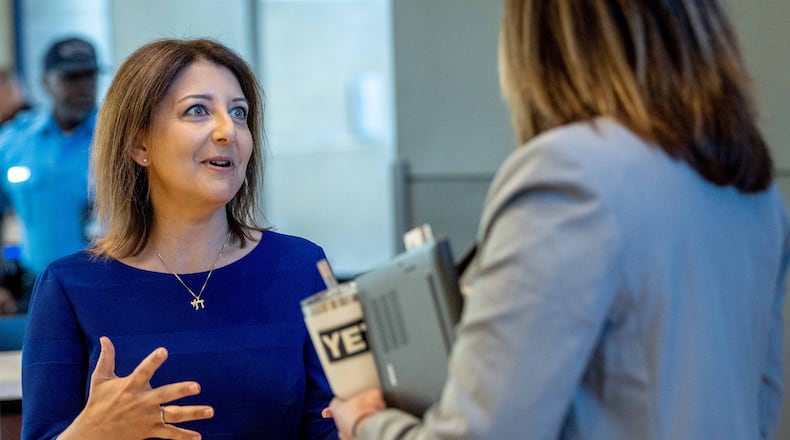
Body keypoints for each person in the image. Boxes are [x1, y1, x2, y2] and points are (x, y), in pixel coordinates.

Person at [329, 0, 790, 439]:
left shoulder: (569, 175)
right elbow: (763, 410)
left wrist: (367, 425)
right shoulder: (753, 191)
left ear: (543, 37)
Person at [21, 38, 338, 439]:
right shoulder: (69, 288)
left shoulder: (303, 268)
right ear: (140, 144)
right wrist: (91, 432)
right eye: (197, 111)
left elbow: (330, 425)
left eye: (238, 113)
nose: (228, 131)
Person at [0, 37, 99, 315]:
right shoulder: (13, 142)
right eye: (71, 77)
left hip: (107, 287)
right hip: (37, 289)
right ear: (46, 82)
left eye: (89, 76)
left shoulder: (121, 141)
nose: (83, 87)